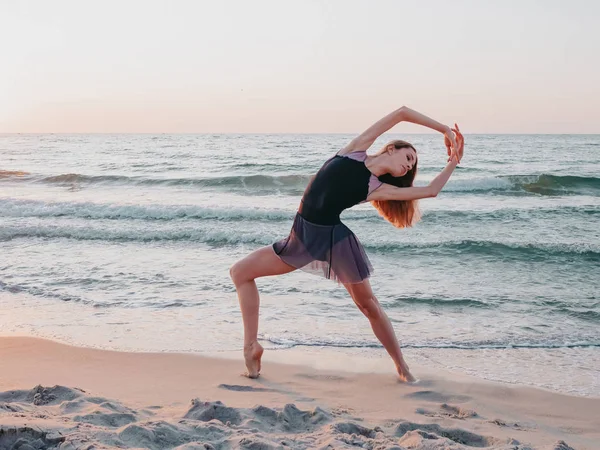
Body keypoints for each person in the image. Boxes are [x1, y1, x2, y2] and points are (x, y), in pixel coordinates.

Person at [230, 106, 464, 381]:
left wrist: (453, 162)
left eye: (411, 166)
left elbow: (431, 190)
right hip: (301, 237)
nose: (409, 166)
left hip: (334, 240)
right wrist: (445, 131)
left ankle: (402, 367)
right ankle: (251, 347)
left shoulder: (376, 188)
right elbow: (401, 113)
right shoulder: (354, 149)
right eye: (408, 157)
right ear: (391, 148)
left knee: (369, 306)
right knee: (240, 273)